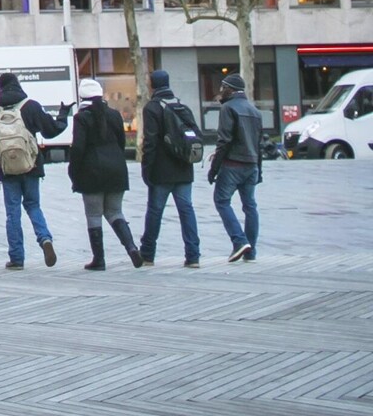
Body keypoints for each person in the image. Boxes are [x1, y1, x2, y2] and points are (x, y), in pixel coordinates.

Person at [0, 71, 70, 270]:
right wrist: (63, 115)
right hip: (31, 166)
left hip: (7, 171)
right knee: (33, 205)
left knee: (13, 213)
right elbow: (51, 130)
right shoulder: (30, 106)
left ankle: (16, 258)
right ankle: (45, 239)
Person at [67, 78, 143, 269]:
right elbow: (121, 142)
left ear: (82, 97)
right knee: (115, 211)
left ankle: (99, 259)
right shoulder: (114, 115)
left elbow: (78, 148)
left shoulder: (81, 118)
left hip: (92, 171)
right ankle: (132, 247)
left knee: (94, 215)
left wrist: (73, 172)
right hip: (116, 169)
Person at [138, 68, 202, 267]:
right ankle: (193, 256)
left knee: (155, 211)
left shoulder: (152, 108)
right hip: (184, 169)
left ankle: (147, 254)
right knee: (186, 210)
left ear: (152, 85)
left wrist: (146, 169)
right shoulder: (182, 106)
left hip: (161, 171)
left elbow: (150, 142)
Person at [209, 71, 264, 263]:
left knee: (221, 201)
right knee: (250, 206)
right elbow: (259, 144)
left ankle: (239, 241)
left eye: (223, 87)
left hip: (232, 164)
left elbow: (224, 141)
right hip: (252, 165)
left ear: (230, 89)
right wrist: (259, 170)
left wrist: (214, 169)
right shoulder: (255, 111)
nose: (220, 91)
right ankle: (251, 251)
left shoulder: (228, 108)